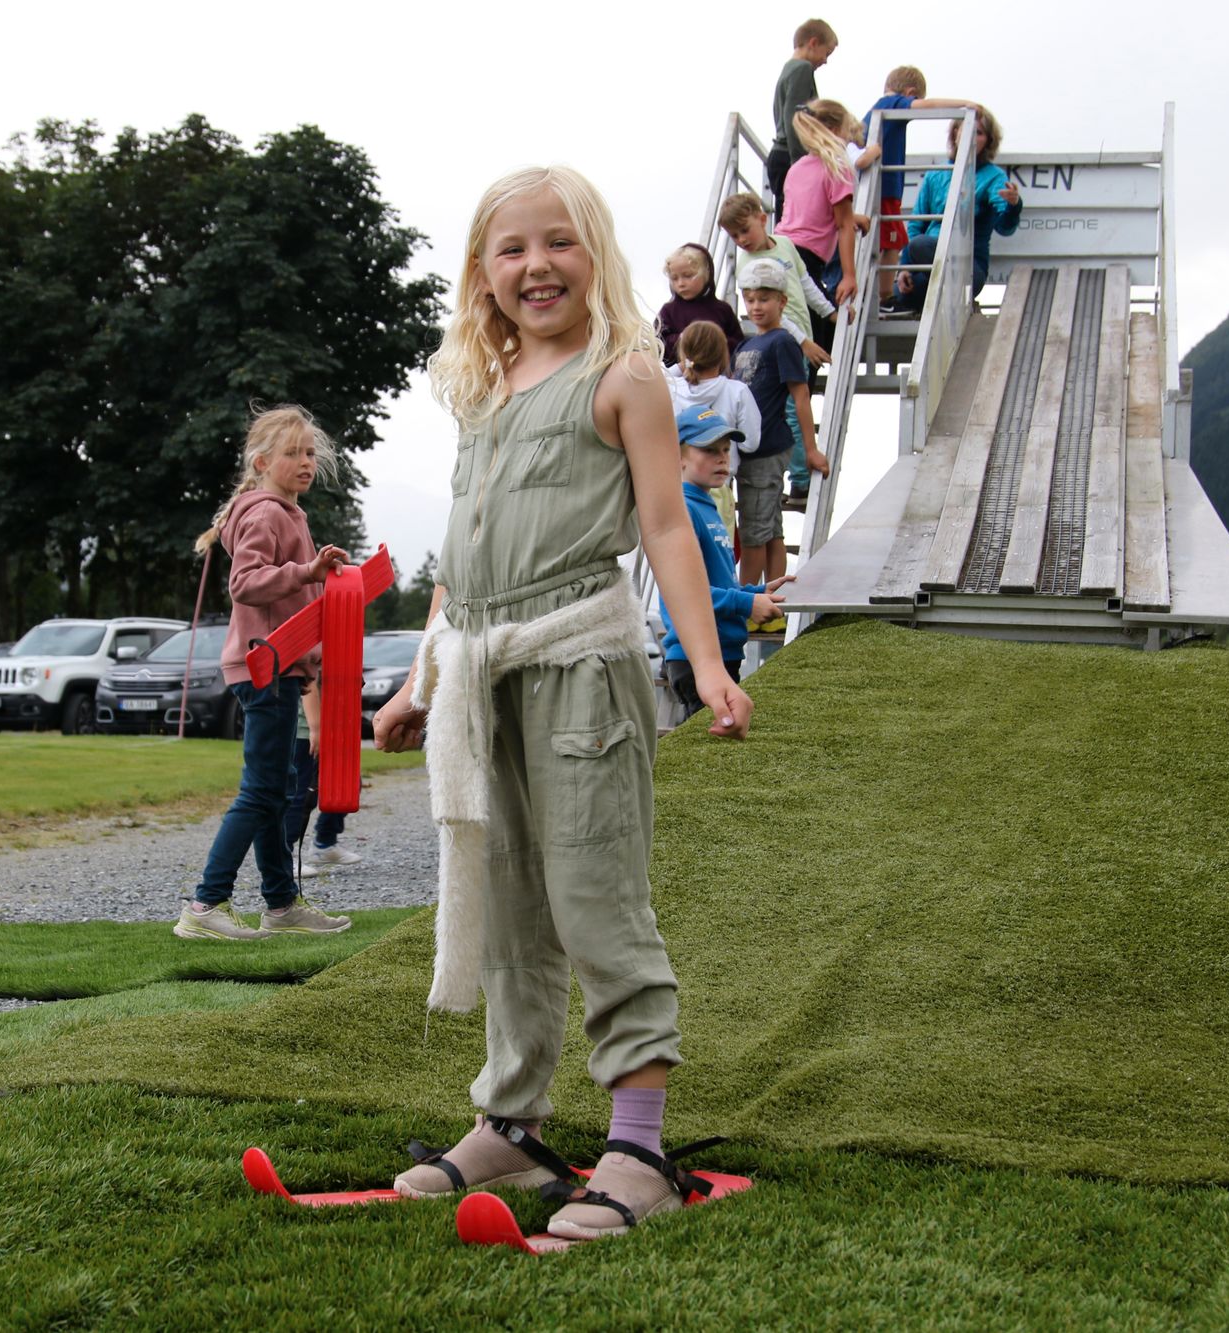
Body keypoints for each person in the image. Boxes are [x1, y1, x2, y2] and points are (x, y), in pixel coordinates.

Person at [372, 165, 754, 1242]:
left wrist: (709, 665)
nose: (535, 266)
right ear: (481, 271)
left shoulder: (624, 374)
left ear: (595, 254)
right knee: (507, 904)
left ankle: (637, 1144)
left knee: (594, 897)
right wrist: (417, 682)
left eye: (558, 243)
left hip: (581, 670)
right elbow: (460, 561)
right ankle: (512, 1123)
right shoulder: (482, 387)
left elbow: (666, 526)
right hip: (480, 679)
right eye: (512, 248)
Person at [176, 406, 354, 941]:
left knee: (277, 792)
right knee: (260, 792)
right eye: (292, 453)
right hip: (262, 667)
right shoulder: (266, 514)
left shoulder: (290, 514)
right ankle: (206, 903)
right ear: (261, 462)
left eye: (310, 453)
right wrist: (307, 571)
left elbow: (295, 603)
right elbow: (246, 583)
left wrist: (310, 656)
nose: (306, 462)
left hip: (280, 666)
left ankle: (281, 906)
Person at [659, 405, 790, 717]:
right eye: (708, 450)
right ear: (677, 457)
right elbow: (684, 592)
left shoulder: (706, 506)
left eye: (725, 449)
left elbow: (716, 583)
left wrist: (755, 592)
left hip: (723, 652)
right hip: (696, 657)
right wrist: (746, 604)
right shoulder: (683, 510)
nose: (721, 458)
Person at [719, 191, 835, 510]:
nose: (741, 240)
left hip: (801, 336)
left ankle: (796, 472)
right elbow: (776, 316)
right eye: (734, 236)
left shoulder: (784, 244)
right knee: (790, 408)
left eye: (745, 230)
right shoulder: (749, 265)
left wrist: (829, 313)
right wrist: (803, 341)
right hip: (783, 339)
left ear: (762, 219)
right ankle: (800, 479)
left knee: (799, 403)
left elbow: (804, 283)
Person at [733, 258, 830, 630]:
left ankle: (744, 608)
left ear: (782, 302)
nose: (756, 306)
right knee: (771, 532)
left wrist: (811, 449)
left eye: (765, 299)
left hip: (768, 449)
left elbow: (800, 395)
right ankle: (773, 611)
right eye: (750, 299)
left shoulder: (783, 342)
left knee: (753, 534)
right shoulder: (746, 344)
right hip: (749, 451)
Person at [896, 107, 1023, 315]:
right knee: (906, 284)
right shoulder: (936, 174)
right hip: (931, 260)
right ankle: (941, 295)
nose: (972, 138)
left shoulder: (993, 176)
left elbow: (1005, 228)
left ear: (988, 141)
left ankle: (945, 297)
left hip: (968, 266)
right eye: (967, 131)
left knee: (925, 253)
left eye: (979, 133)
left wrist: (1013, 205)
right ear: (955, 134)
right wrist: (905, 267)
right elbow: (916, 226)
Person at [857, 66, 981, 280]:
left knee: (888, 240)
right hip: (884, 191)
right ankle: (885, 293)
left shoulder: (877, 110)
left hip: (878, 190)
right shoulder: (892, 103)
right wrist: (964, 103)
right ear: (910, 93)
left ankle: (883, 291)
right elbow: (928, 105)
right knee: (893, 240)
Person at [667, 321, 761, 550]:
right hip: (717, 489)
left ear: (684, 355)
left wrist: (680, 366)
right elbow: (750, 443)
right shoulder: (736, 391)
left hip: (673, 489)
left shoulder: (669, 388)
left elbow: (652, 377)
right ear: (723, 355)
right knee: (719, 556)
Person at [777, 99, 865, 312]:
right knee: (829, 320)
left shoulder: (797, 168)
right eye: (847, 132)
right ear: (834, 131)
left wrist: (854, 217)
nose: (848, 139)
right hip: (805, 259)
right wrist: (849, 276)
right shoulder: (837, 166)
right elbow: (844, 225)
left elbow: (811, 212)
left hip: (780, 249)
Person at [762, 19, 838, 231]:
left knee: (785, 223)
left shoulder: (788, 69)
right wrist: (801, 165)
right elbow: (794, 117)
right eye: (826, 53)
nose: (825, 61)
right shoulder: (803, 69)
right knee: (794, 227)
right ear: (813, 43)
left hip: (781, 155)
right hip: (790, 156)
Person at [285, 681, 361, 876]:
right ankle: (283, 857)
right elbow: (308, 683)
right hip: (308, 732)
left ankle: (324, 843)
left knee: (346, 785)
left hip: (334, 726)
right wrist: (315, 729)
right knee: (300, 794)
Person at [655, 243, 745, 366]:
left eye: (688, 276)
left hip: (717, 372)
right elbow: (657, 344)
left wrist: (715, 341)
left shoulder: (722, 309)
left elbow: (739, 346)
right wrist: (685, 338)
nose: (681, 283)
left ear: (706, 274)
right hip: (680, 375)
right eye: (674, 278)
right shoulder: (668, 311)